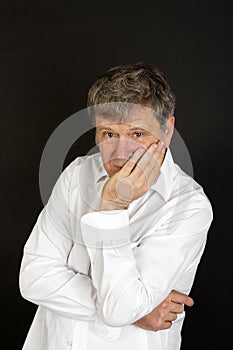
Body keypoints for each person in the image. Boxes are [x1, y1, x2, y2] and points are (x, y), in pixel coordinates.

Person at [19, 63, 213, 350]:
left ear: (167, 130)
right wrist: (139, 312)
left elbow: (120, 309)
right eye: (109, 134)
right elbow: (33, 278)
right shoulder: (77, 175)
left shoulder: (189, 206)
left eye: (137, 134)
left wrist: (112, 207)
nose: (121, 154)